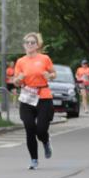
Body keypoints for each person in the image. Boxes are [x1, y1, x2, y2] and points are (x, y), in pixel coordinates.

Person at [13, 32, 57, 169]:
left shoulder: (44, 58)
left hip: (43, 96)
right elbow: (15, 82)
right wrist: (18, 79)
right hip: (27, 97)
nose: (30, 45)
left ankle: (45, 141)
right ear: (24, 45)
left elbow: (54, 74)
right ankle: (34, 160)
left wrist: (49, 75)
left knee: (41, 130)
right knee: (29, 128)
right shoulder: (20, 61)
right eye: (27, 43)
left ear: (37, 45)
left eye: (33, 42)